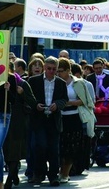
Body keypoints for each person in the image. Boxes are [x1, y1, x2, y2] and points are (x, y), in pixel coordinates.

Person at [28, 56, 68, 187]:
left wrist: (57, 104)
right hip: (39, 119)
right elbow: (29, 98)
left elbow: (64, 99)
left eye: (54, 69)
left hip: (53, 120)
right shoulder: (33, 81)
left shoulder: (61, 83)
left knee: (53, 149)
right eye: (49, 68)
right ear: (45, 68)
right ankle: (39, 173)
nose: (51, 71)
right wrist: (36, 105)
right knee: (40, 146)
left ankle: (53, 175)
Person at [56, 58, 93, 183]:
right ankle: (60, 170)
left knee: (72, 148)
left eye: (61, 71)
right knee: (60, 147)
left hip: (74, 117)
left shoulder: (78, 83)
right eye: (57, 71)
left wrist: (69, 103)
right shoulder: (55, 82)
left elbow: (85, 100)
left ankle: (65, 173)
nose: (58, 74)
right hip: (59, 117)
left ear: (68, 70)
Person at [3, 62, 37, 189]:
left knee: (15, 151)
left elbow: (33, 103)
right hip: (3, 121)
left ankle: (9, 178)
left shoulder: (22, 83)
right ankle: (14, 172)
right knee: (5, 150)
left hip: (18, 123)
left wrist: (22, 93)